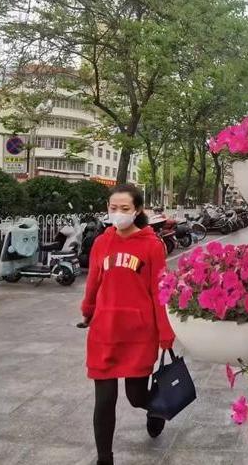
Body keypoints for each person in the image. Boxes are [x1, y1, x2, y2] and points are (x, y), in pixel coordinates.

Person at [80, 183, 175, 465]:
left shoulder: (152, 245)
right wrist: (87, 309)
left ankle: (154, 409)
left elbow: (159, 292)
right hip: (105, 330)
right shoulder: (102, 242)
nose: (118, 213)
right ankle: (104, 458)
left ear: (137, 210)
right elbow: (93, 281)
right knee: (104, 400)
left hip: (138, 334)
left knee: (136, 396)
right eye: (113, 208)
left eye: (124, 208)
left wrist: (165, 333)